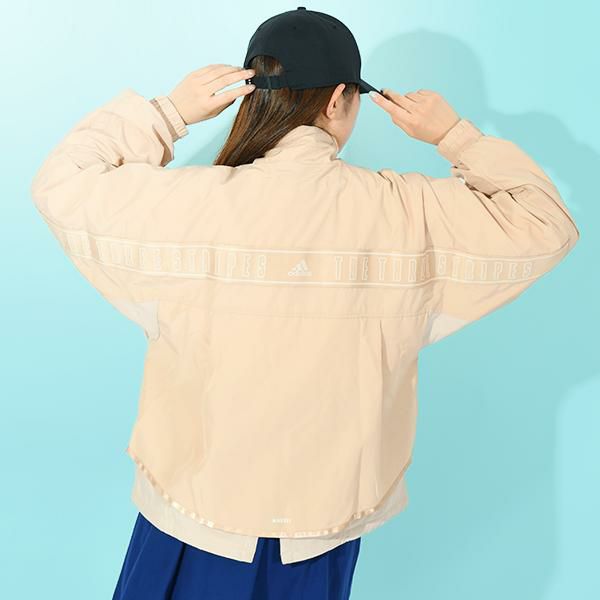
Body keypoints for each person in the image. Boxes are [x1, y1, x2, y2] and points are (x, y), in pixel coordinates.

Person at [30, 7, 579, 600]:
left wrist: (168, 112)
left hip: (190, 517)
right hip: (321, 532)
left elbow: (63, 181)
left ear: (253, 93)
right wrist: (456, 134)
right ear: (340, 98)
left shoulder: (187, 203)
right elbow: (545, 222)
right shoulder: (404, 211)